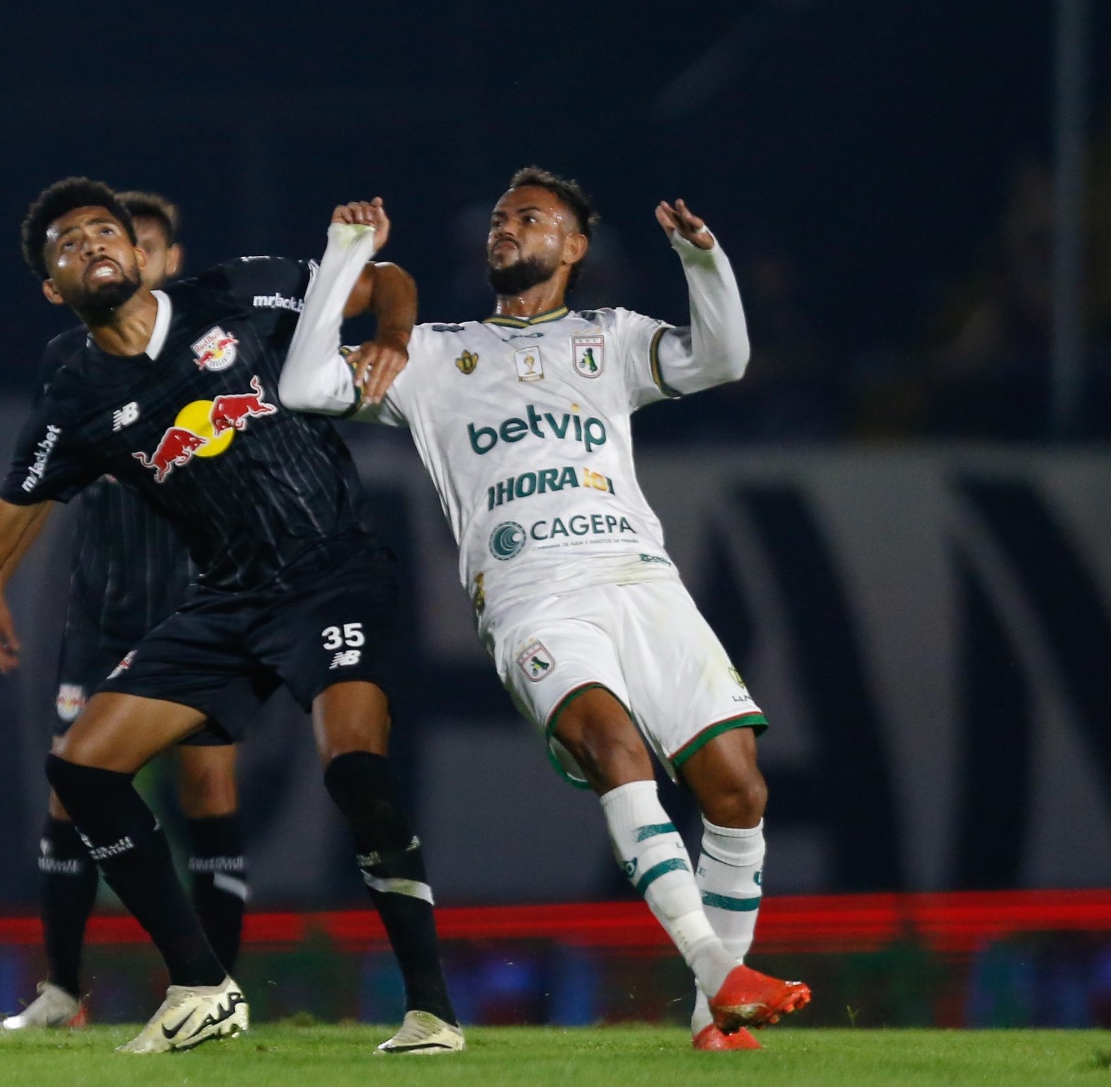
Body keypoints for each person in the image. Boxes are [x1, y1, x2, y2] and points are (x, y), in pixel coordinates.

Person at [0, 178, 461, 1056]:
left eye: (104, 230)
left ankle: (430, 1011)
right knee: (83, 768)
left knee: (354, 771)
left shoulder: (238, 292)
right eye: (67, 244)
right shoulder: (75, 391)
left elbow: (384, 276)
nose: (90, 244)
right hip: (226, 598)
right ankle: (202, 987)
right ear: (52, 287)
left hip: (332, 571)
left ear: (139, 253)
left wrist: (392, 339)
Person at [278, 170, 812, 1049]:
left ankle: (715, 1023)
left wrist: (703, 263)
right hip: (531, 594)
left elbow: (722, 361)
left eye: (529, 218)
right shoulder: (432, 357)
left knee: (737, 788)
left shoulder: (612, 338)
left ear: (572, 247)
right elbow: (304, 386)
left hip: (640, 580)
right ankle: (718, 971)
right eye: (498, 218)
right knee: (613, 747)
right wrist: (343, 256)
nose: (505, 228)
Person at [0, 192, 249, 1029]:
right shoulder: (72, 362)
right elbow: (33, 484)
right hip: (103, 608)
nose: (120, 255)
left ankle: (216, 990)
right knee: (69, 786)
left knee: (208, 789)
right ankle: (61, 990)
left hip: (198, 605)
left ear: (165, 260)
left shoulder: (213, 342)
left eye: (141, 244)